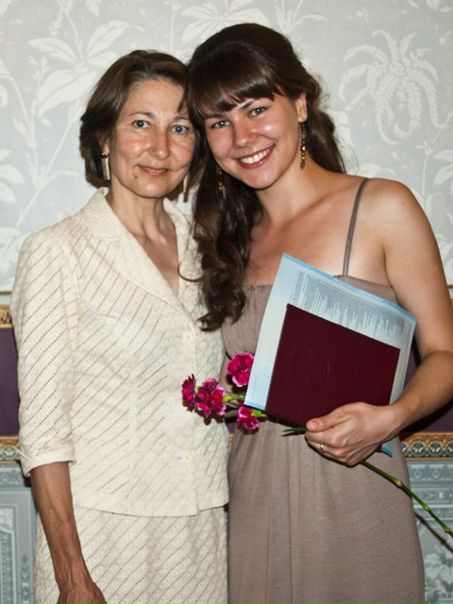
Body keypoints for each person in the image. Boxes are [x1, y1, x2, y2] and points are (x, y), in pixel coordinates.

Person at [186, 23, 453, 604]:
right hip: (256, 499)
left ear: (301, 103)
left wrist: (393, 418)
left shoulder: (382, 206)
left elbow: (445, 354)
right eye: (219, 123)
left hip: (357, 496)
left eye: (257, 109)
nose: (242, 137)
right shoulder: (225, 240)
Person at [11, 50, 229, 604]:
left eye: (180, 128)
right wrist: (72, 577)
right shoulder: (59, 252)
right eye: (140, 123)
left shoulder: (210, 251)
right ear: (104, 138)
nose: (160, 148)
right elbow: (44, 433)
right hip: (99, 534)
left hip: (200, 529)